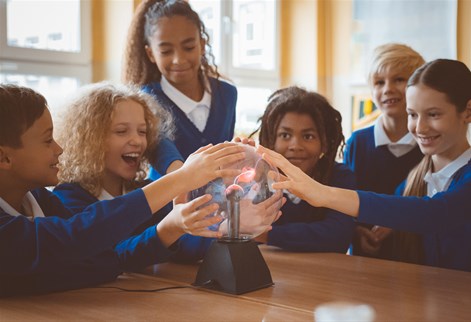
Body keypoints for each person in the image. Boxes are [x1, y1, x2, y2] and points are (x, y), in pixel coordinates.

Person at [0, 84, 246, 296]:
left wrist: (176, 223)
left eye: (142, 132)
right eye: (47, 140)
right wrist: (182, 178)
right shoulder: (65, 197)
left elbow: (105, 257)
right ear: (4, 157)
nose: (59, 148)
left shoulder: (39, 199)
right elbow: (79, 237)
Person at [259, 59, 471, 271]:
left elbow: (435, 213)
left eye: (433, 115)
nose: (420, 127)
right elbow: (400, 210)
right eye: (412, 114)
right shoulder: (419, 176)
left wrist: (323, 194)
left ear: (468, 112)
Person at [122, 0, 237, 178]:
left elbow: (226, 152)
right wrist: (187, 178)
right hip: (168, 203)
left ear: (202, 45)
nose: (179, 59)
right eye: (166, 51)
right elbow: (162, 150)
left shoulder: (227, 94)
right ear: (151, 54)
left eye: (189, 47)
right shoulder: (145, 99)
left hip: (216, 201)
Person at [249, 86, 355, 252]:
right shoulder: (257, 177)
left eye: (308, 136)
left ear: (325, 144)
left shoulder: (340, 177)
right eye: (285, 135)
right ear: (271, 140)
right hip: (270, 270)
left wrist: (265, 234)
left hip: (327, 273)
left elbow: (338, 236)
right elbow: (241, 225)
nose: (295, 146)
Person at [344, 43, 425, 258]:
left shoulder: (430, 145)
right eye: (379, 82)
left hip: (420, 263)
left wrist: (396, 221)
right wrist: (357, 233)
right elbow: (345, 199)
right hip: (367, 261)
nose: (388, 88)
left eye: (399, 79)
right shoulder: (357, 143)